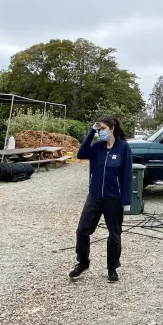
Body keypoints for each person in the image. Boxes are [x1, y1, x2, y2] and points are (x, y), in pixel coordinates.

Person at [70, 116, 134, 283]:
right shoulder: (97, 147)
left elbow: (127, 176)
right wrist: (91, 131)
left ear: (112, 128)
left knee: (114, 234)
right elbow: (81, 154)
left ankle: (112, 268)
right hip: (95, 196)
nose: (101, 132)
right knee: (82, 230)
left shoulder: (123, 148)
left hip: (113, 198)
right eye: (99, 130)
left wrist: (126, 201)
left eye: (103, 129)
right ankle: (83, 263)